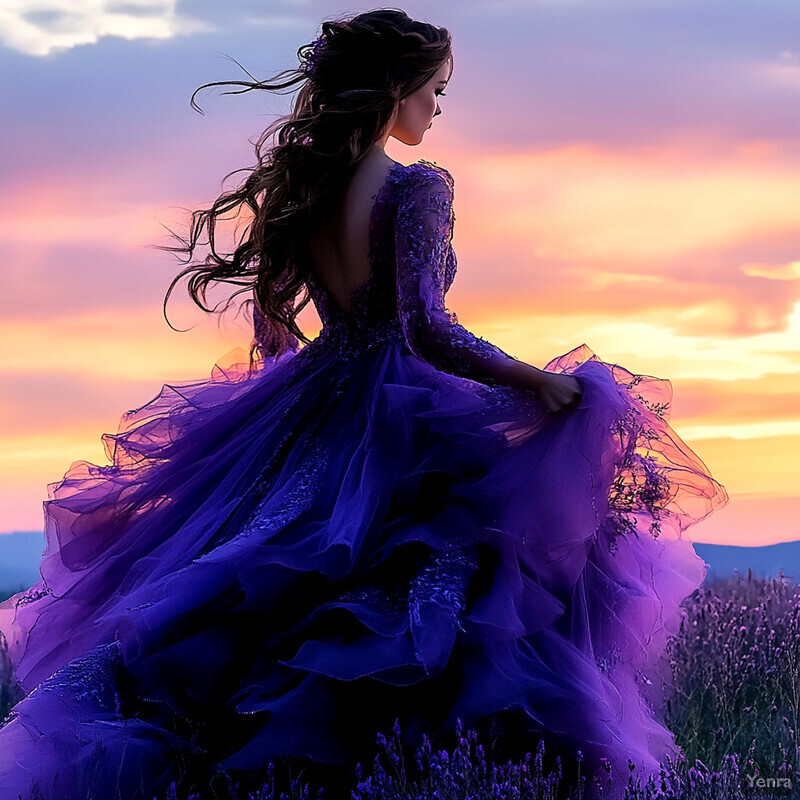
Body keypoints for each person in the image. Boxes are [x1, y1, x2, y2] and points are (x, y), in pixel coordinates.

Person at [0, 9, 727, 800]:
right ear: (395, 88)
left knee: (255, 587)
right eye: (435, 90)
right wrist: (537, 381)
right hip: (397, 406)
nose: (438, 109)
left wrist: (292, 406)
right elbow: (427, 329)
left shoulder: (304, 190)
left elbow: (275, 322)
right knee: (447, 579)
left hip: (314, 398)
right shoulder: (417, 188)